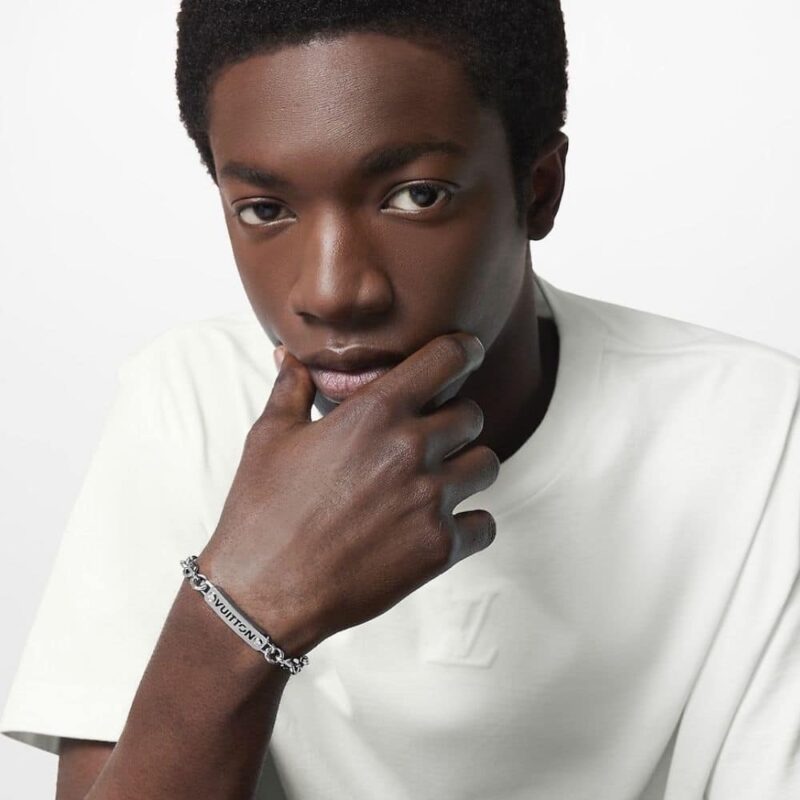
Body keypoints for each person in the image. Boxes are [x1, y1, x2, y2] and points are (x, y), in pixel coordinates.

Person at [2, 1, 799, 798]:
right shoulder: (191, 397)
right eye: (265, 210)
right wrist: (248, 604)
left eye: (416, 196)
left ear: (539, 188)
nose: (332, 292)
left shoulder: (758, 433)